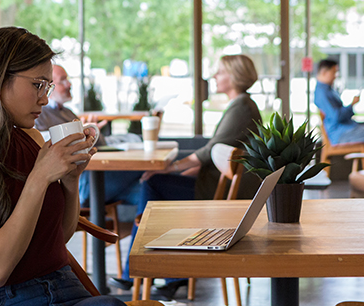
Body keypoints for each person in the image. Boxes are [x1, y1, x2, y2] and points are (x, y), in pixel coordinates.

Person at [0, 27, 124, 306]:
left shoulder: (31, 138)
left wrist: (70, 181)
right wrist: (39, 178)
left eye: (47, 87)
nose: (44, 99)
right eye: (37, 85)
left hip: (68, 287)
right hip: (11, 298)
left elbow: (58, 237)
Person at [109, 55, 263, 298]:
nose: (214, 76)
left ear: (234, 76)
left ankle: (142, 272)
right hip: (216, 186)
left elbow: (208, 151)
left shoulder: (242, 106)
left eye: (220, 72)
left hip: (218, 195)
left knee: (153, 182)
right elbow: (213, 153)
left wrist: (171, 167)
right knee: (155, 185)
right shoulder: (242, 104)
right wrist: (182, 169)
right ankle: (159, 274)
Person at [34, 65, 143, 208]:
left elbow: (98, 144)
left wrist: (92, 133)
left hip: (90, 179)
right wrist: (79, 135)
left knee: (145, 189)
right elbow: (41, 142)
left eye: (68, 79)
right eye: (63, 80)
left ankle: (135, 230)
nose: (69, 84)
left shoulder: (67, 112)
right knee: (141, 170)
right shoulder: (38, 114)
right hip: (81, 183)